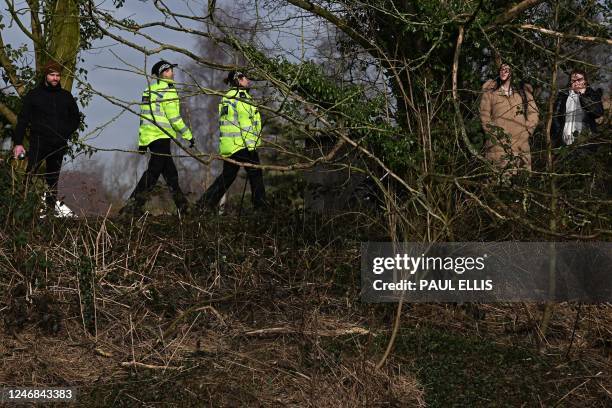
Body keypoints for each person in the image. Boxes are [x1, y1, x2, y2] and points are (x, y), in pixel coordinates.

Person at [120, 60, 194, 216]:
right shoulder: (169, 90)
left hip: (152, 139)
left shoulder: (148, 90)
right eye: (169, 71)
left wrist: (143, 142)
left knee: (171, 174)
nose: (172, 73)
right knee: (153, 173)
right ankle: (132, 205)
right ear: (162, 73)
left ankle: (183, 207)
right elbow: (174, 118)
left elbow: (143, 119)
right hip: (162, 136)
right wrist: (188, 135)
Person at [12, 60, 80, 216]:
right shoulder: (34, 95)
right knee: (30, 175)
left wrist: (65, 133)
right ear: (45, 76)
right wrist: (18, 143)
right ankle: (20, 210)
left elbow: (75, 119)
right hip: (38, 142)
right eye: (52, 75)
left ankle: (49, 215)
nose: (55, 78)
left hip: (58, 144)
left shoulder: (66, 97)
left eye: (57, 75)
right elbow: (23, 120)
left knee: (53, 180)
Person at [197, 71, 266, 211]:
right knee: (256, 174)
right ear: (238, 80)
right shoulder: (241, 98)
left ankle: (204, 204)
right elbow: (245, 123)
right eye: (245, 78)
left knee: (227, 177)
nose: (248, 80)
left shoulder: (227, 97)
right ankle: (261, 208)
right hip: (243, 144)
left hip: (230, 145)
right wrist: (252, 147)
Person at [480, 63, 539, 172]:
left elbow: (533, 113)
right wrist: (493, 134)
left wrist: (527, 131)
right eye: (502, 69)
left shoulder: (523, 92)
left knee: (520, 183)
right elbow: (484, 115)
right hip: (498, 145)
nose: (503, 72)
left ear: (513, 72)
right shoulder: (491, 91)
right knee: (497, 181)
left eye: (507, 70)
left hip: (521, 145)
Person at [551, 69, 603, 146]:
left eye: (579, 79)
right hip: (564, 141)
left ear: (585, 81)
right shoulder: (563, 95)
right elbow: (555, 117)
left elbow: (598, 112)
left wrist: (583, 96)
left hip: (586, 140)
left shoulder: (591, 94)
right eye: (573, 80)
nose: (576, 82)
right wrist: (557, 136)